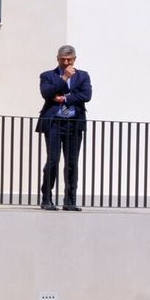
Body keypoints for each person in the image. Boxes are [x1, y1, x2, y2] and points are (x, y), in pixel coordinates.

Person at [39, 45, 92, 211]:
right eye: (63, 60)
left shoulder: (83, 76)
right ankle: (47, 198)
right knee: (53, 160)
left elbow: (86, 95)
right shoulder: (47, 75)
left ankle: (70, 200)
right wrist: (64, 78)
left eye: (69, 59)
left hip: (74, 124)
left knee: (71, 163)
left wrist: (65, 99)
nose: (66, 62)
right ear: (57, 59)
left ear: (75, 59)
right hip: (54, 123)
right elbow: (47, 93)